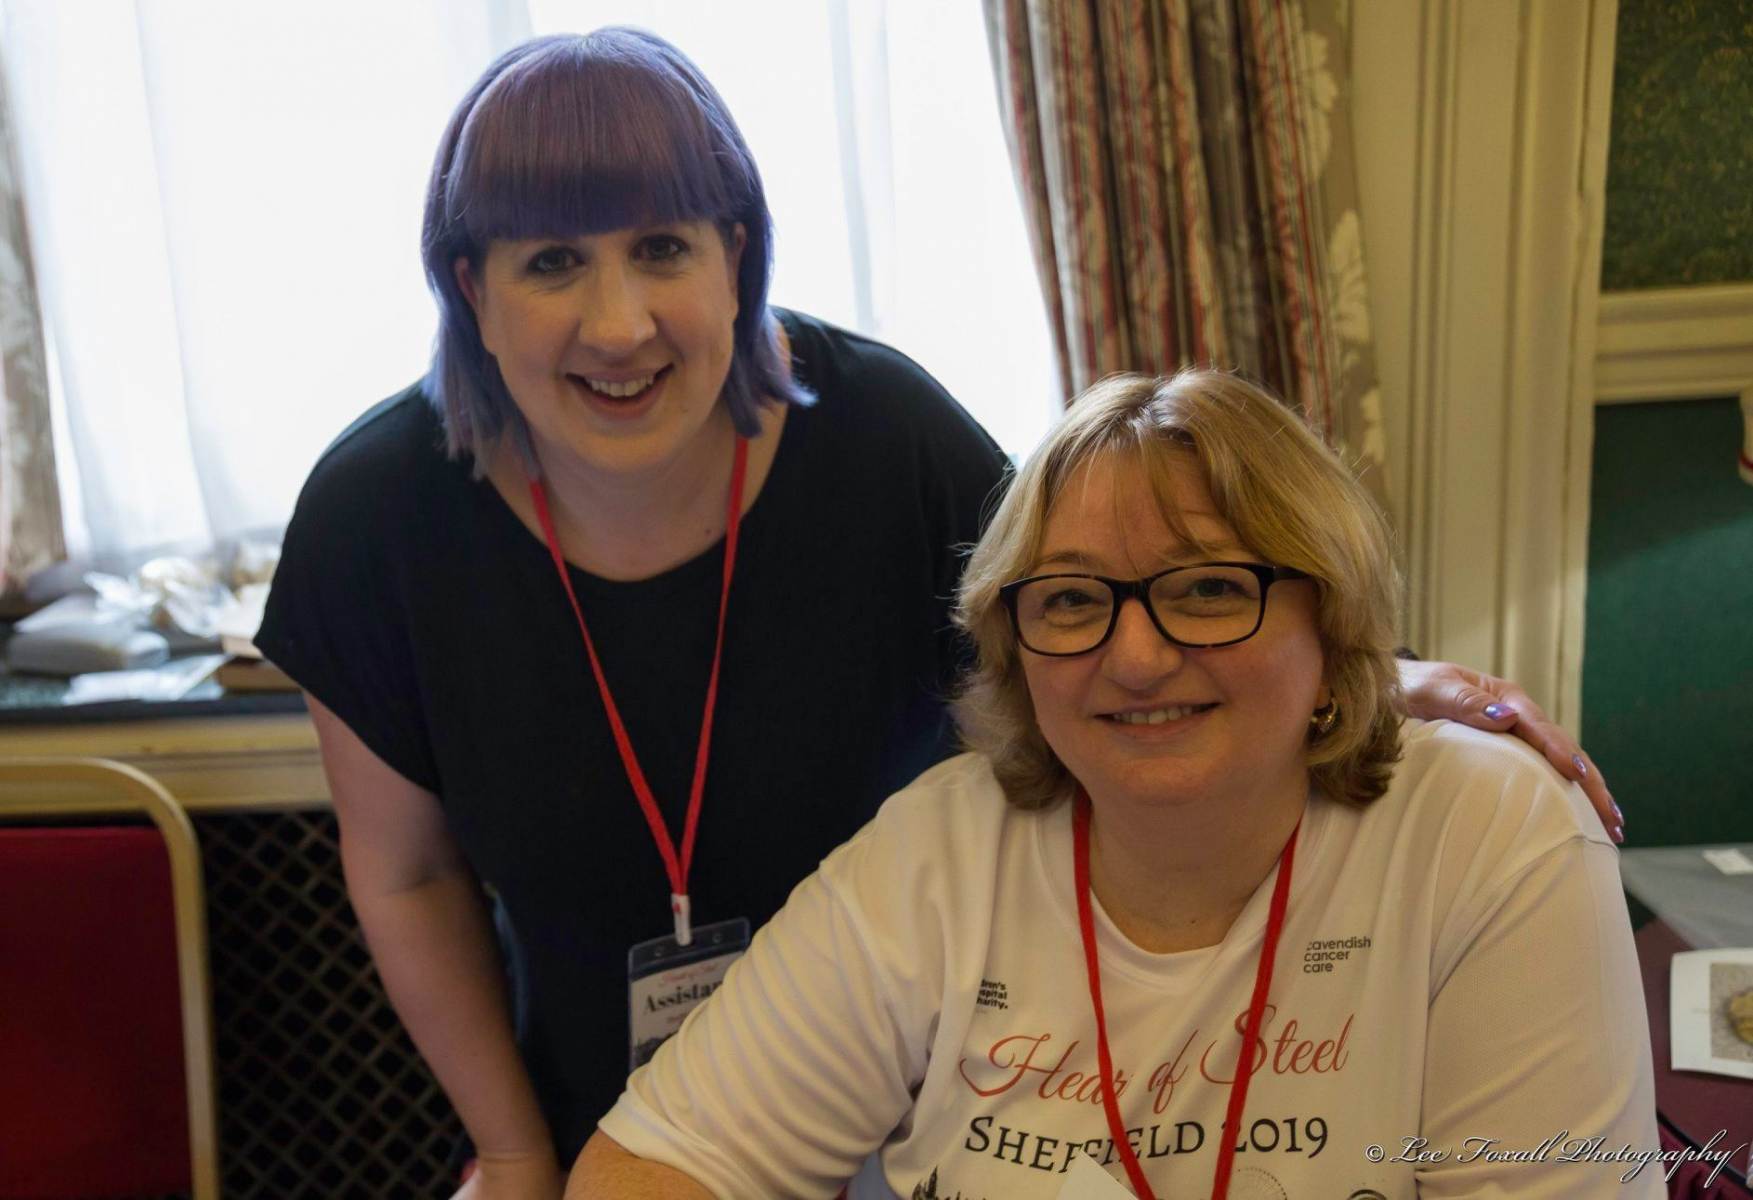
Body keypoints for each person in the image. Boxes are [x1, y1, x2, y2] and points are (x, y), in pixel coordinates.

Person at [257, 28, 1623, 1198]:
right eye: (552, 261)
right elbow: (409, 874)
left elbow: (1104, 604)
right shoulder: (377, 515)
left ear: (737, 256)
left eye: (662, 247)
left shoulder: (882, 439)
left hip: (923, 1079)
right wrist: (512, 1155)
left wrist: (1362, 668)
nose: (618, 325)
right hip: (591, 1092)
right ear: (471, 289)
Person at [574, 371, 1658, 1199]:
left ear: (1329, 621)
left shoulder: (1486, 829)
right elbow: (647, 1170)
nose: (1134, 658)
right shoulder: (937, 852)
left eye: (1208, 590)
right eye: (1070, 601)